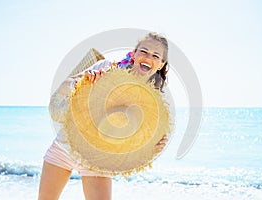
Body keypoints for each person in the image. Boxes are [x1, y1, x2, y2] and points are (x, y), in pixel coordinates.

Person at [38, 32, 169, 200]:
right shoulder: (106, 67)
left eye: (155, 55)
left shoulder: (153, 102)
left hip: (98, 162)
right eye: (143, 51)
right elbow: (62, 88)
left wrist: (156, 144)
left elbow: (142, 143)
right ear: (134, 53)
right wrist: (80, 82)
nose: (148, 57)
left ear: (160, 64)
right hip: (65, 147)